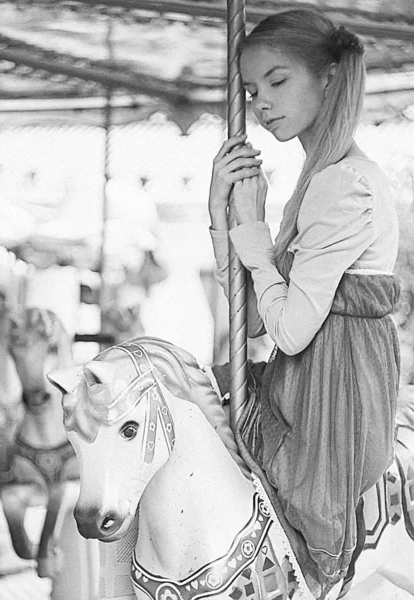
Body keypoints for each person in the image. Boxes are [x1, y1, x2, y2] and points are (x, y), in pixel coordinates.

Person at [208, 8, 400, 599]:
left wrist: (254, 233)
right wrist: (222, 217)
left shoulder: (345, 184)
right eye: (250, 90)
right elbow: (255, 318)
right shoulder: (318, 181)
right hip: (312, 378)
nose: (261, 102)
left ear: (330, 77)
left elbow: (286, 333)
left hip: (333, 397)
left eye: (277, 80)